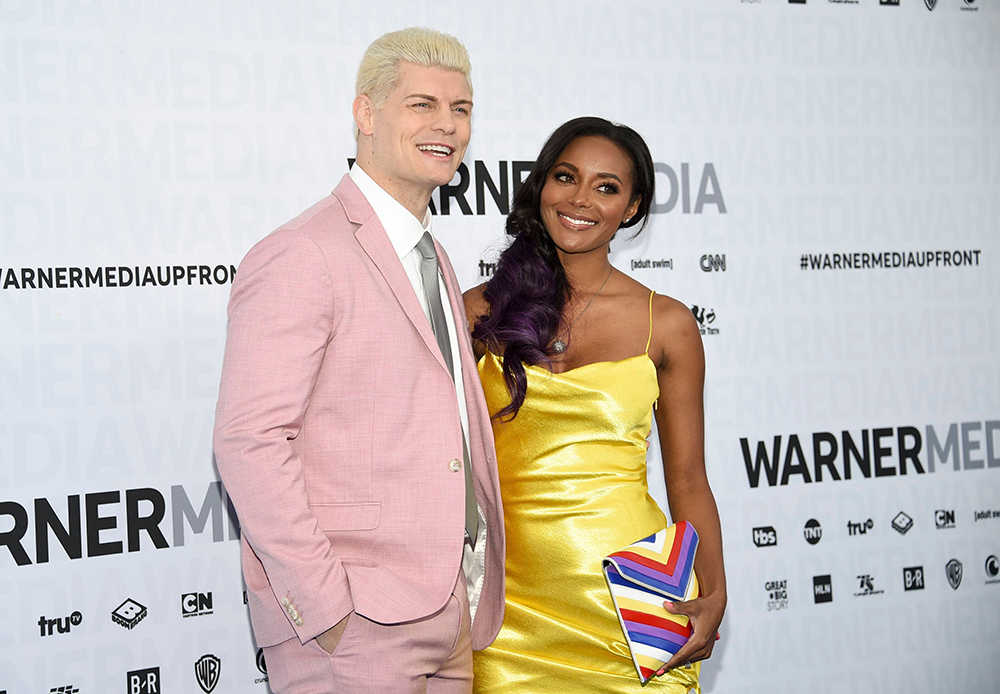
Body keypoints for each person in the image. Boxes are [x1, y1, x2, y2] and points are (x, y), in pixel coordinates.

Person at [213, 27, 505, 693]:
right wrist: (327, 611)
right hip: (354, 630)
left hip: (450, 610)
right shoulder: (302, 253)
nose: (448, 126)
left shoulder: (433, 254)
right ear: (365, 114)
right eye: (422, 104)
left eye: (461, 110)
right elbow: (249, 439)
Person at [464, 117, 726, 693]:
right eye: (566, 177)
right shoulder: (476, 312)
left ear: (631, 209)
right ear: (541, 187)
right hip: (507, 612)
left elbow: (687, 479)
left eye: (607, 187)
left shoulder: (669, 322)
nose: (581, 199)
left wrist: (715, 592)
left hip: (637, 606)